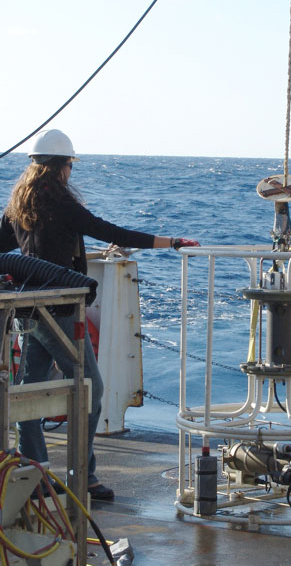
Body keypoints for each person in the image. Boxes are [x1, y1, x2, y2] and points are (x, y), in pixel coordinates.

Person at [0, 129, 199, 500]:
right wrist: (169, 241)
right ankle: (82, 475)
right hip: (58, 309)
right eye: (70, 165)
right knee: (91, 390)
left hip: (28, 309)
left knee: (29, 391)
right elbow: (106, 230)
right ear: (62, 167)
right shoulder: (57, 201)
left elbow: (5, 246)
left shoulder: (20, 204)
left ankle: (35, 471)